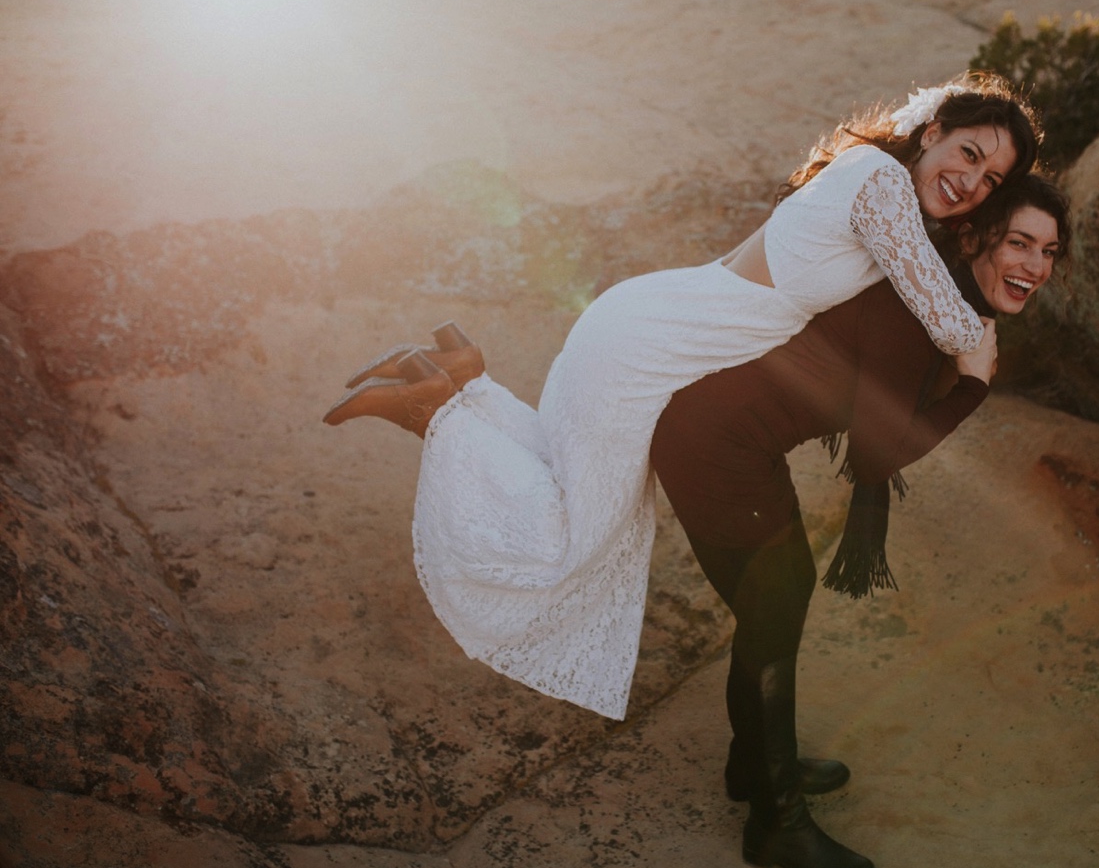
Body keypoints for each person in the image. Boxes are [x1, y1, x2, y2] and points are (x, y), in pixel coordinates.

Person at [321, 74, 1040, 724]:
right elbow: (949, 322)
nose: (972, 181)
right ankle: (437, 410)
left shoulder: (872, 179)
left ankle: (460, 375)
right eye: (969, 153)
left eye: (993, 177)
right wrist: (978, 352)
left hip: (644, 327)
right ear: (932, 131)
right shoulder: (882, 184)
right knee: (572, 540)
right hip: (644, 352)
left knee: (558, 473)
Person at [649, 176, 1067, 868]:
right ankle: (775, 820)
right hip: (712, 439)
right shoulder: (921, 311)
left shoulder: (941, 297)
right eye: (1019, 242)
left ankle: (755, 763)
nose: (1033, 265)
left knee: (773, 603)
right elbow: (879, 450)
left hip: (720, 429)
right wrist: (973, 387)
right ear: (974, 239)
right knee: (775, 604)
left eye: (1050, 251)